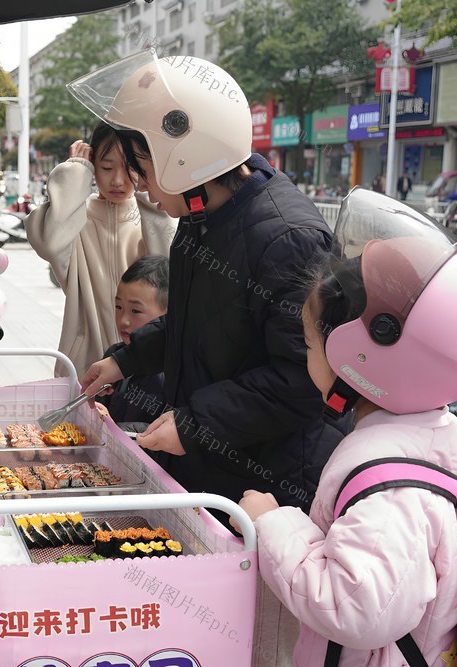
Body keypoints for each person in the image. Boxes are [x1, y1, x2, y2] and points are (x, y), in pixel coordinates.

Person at [236, 188, 457, 666]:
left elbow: (358, 607)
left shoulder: (391, 491)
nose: (306, 358)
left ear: (358, 356)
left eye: (310, 343)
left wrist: (272, 523)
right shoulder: (423, 441)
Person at [71, 52, 347, 514]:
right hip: (214, 460)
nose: (139, 184)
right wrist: (126, 360)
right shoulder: (203, 216)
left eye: (142, 165)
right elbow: (195, 321)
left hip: (266, 479)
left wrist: (196, 423)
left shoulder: (287, 238)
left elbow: (302, 379)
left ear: (187, 159)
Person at [27, 122, 177, 377]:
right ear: (93, 166)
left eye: (130, 167)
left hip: (143, 366)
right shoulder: (74, 220)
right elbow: (50, 243)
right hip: (84, 366)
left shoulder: (152, 216)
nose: (117, 180)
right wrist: (76, 171)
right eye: (107, 167)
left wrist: (149, 184)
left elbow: (167, 265)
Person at [97, 255, 168, 430]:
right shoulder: (114, 355)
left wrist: (114, 429)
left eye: (136, 310)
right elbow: (101, 402)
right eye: (118, 307)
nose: (124, 321)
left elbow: (166, 431)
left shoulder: (170, 373)